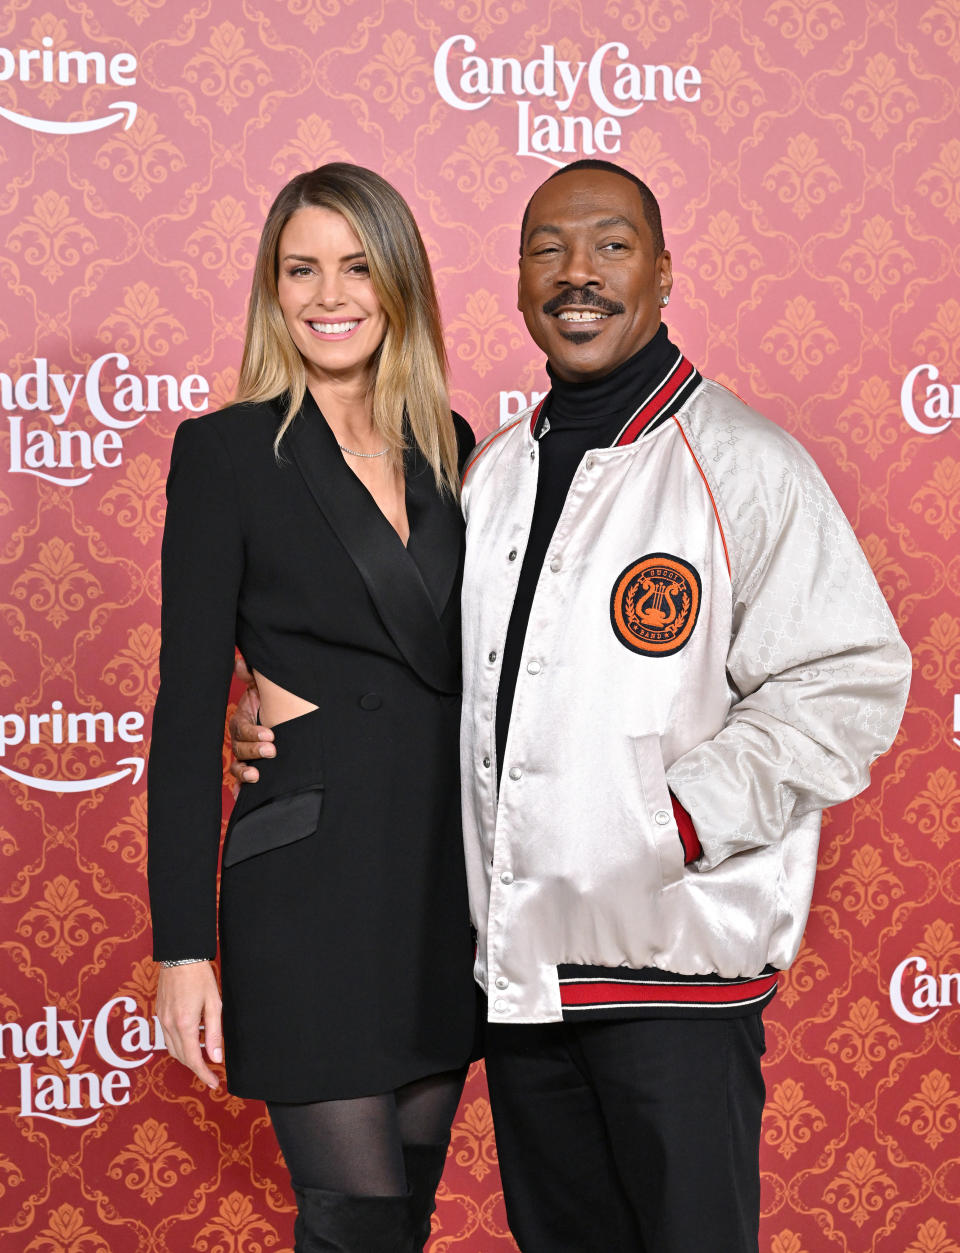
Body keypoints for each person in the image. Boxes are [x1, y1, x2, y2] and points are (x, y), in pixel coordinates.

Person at [231, 160, 912, 1252]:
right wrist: (274, 707)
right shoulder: (487, 474)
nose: (577, 273)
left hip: (672, 970)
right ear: (517, 281)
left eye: (610, 244)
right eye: (548, 249)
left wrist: (676, 816)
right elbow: (424, 670)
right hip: (526, 983)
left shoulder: (743, 462)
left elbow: (848, 675)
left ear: (662, 270)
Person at [148, 163, 478, 1253]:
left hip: (444, 878)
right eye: (301, 268)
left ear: (399, 285)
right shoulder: (227, 452)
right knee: (354, 1224)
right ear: (271, 287)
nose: (328, 294)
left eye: (355, 265)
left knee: (406, 1216)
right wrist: (182, 950)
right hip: (310, 880)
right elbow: (189, 711)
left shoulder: (457, 446)